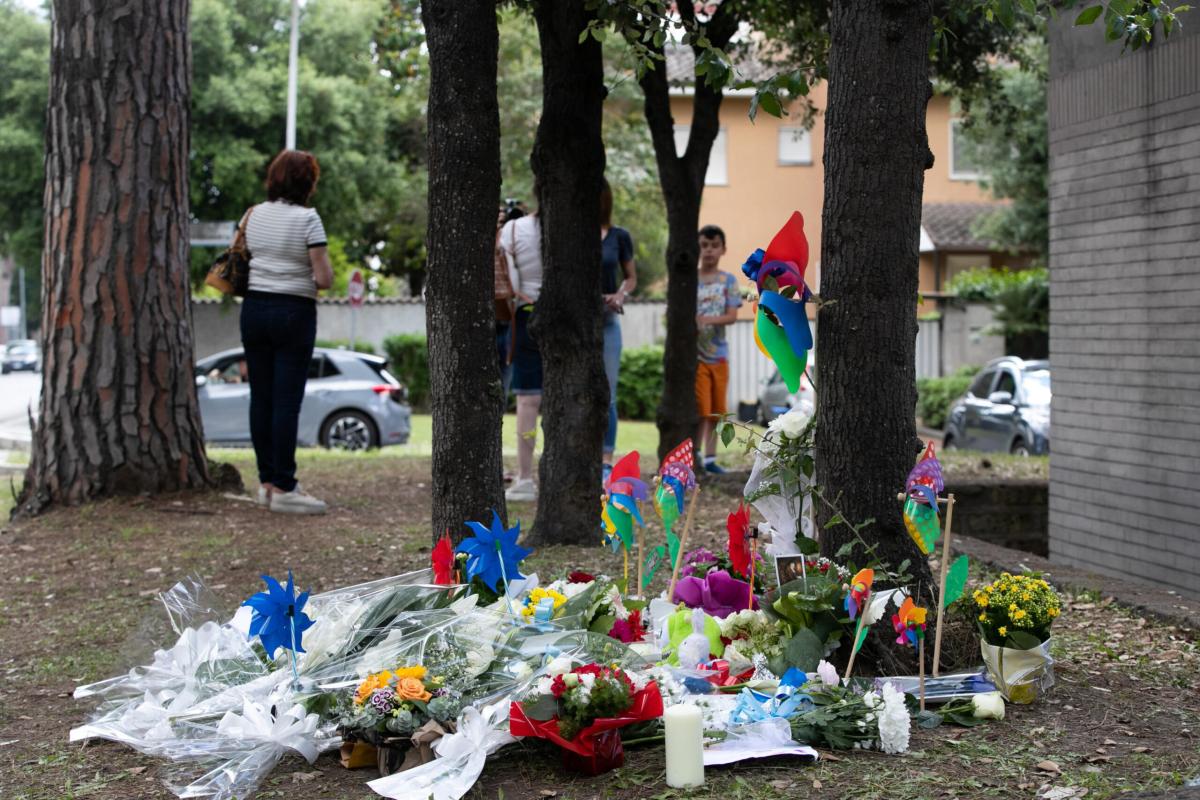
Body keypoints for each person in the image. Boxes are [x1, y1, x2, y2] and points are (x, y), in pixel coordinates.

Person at [239, 150, 334, 514]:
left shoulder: (252, 215)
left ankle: (266, 483)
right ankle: (285, 486)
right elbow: (323, 277)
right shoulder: (309, 220)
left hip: (254, 309)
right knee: (285, 401)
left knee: (260, 397)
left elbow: (245, 258)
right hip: (293, 311)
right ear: (307, 182)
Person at [499, 197, 543, 502]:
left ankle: (526, 477)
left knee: (528, 401)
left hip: (528, 312)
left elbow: (511, 280)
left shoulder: (514, 229)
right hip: (569, 318)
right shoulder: (577, 227)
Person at [694, 224, 741, 474]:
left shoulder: (728, 281)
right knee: (700, 408)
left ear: (723, 249)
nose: (709, 251)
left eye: (714, 246)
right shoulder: (690, 280)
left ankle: (711, 460)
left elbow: (732, 315)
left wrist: (706, 320)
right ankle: (697, 455)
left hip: (719, 355)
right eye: (704, 245)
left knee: (715, 410)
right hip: (696, 356)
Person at [599, 178, 637, 480]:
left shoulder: (618, 236)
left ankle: (606, 460)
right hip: (578, 324)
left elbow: (630, 277)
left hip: (608, 319)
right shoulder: (571, 234)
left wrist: (620, 294)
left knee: (608, 393)